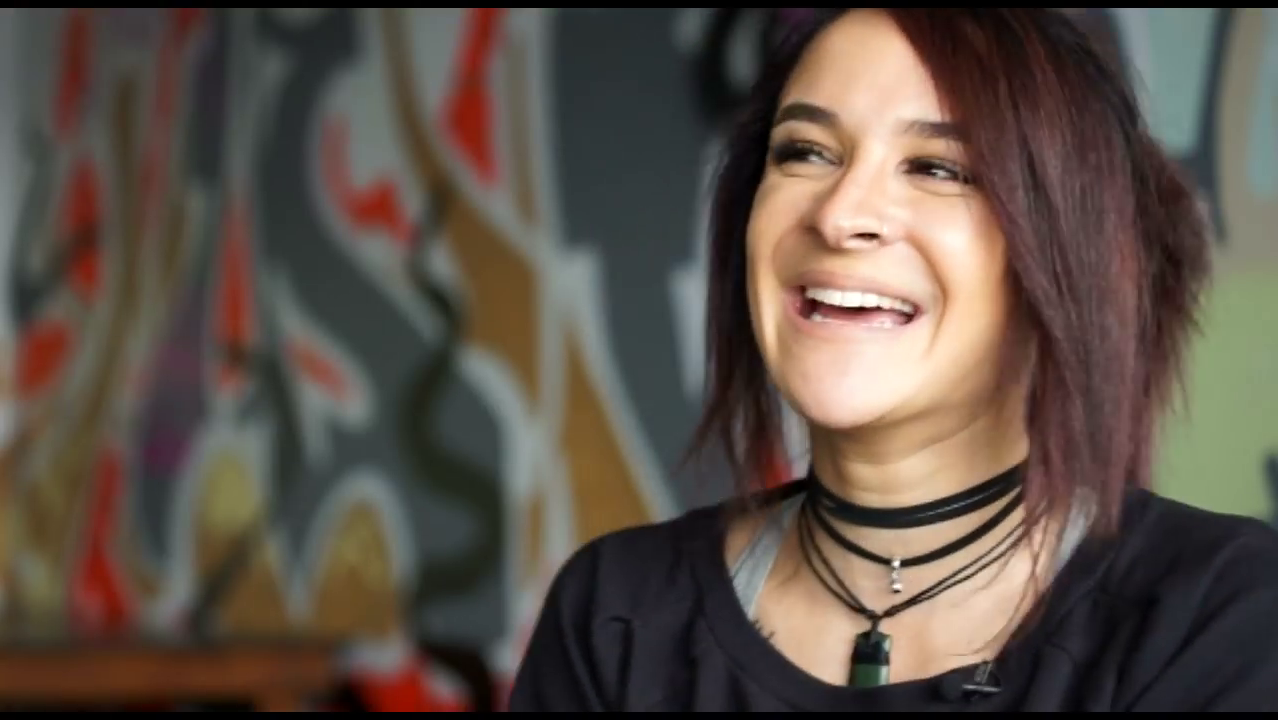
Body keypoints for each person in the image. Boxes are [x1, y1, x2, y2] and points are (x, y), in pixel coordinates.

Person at [507, 8, 1278, 712]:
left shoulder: (1219, 615)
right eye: (806, 152)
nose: (840, 215)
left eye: (938, 167)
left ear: (1065, 247)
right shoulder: (616, 616)